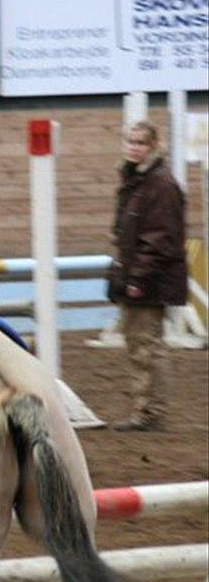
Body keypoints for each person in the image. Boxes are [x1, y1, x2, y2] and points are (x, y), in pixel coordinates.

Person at [107, 120, 187, 431]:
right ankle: (147, 409)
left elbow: (160, 239)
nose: (134, 147)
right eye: (130, 141)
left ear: (153, 147)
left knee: (146, 347)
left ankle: (151, 413)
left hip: (149, 281)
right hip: (140, 276)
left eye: (141, 143)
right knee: (140, 346)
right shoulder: (137, 181)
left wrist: (138, 278)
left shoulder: (160, 185)